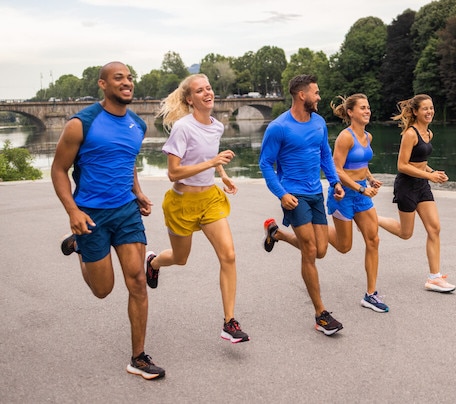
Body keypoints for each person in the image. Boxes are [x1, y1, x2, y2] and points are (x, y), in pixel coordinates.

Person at [52, 61, 165, 380]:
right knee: (103, 289)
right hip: (90, 214)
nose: (127, 82)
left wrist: (138, 192)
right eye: (119, 78)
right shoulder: (81, 124)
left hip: (126, 211)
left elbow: (126, 162)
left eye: (129, 78)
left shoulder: (137, 125)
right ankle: (80, 247)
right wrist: (73, 212)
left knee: (138, 282)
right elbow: (58, 170)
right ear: (103, 84)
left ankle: (138, 357)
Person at [145, 73, 249, 343]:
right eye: (200, 90)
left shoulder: (217, 126)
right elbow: (173, 173)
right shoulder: (183, 127)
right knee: (180, 258)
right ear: (190, 99)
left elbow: (208, 157)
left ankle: (229, 322)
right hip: (182, 203)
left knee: (229, 255)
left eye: (209, 88)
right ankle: (153, 262)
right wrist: (212, 161)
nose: (208, 93)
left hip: (210, 200)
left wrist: (221, 172)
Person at [259, 74, 345, 336]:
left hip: (315, 193)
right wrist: (281, 194)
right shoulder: (279, 127)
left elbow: (325, 155)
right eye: (316, 93)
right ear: (301, 95)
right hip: (294, 194)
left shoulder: (318, 123)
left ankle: (279, 234)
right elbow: (265, 164)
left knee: (321, 250)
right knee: (309, 249)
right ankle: (321, 314)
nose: (319, 97)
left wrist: (335, 181)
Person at [377, 94, 456, 293]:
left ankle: (434, 278)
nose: (429, 112)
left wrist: (433, 172)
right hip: (406, 186)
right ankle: (373, 218)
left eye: (431, 108)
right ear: (415, 112)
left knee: (434, 229)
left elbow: (420, 161)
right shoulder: (410, 134)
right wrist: (429, 176)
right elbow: (402, 165)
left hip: (422, 185)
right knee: (406, 233)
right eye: (425, 109)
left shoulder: (429, 133)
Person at [326, 94, 388, 313]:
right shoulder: (346, 137)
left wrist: (369, 178)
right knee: (344, 246)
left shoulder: (368, 137)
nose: (367, 111)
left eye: (368, 107)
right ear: (350, 112)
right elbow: (337, 169)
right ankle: (315, 231)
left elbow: (361, 162)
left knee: (373, 239)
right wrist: (361, 187)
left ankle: (371, 295)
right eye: (362, 108)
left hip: (362, 193)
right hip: (343, 193)